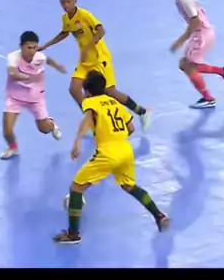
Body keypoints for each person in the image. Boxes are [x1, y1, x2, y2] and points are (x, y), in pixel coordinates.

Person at [53, 71, 169, 243]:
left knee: (77, 188)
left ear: (88, 92)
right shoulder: (115, 102)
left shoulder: (90, 102)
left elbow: (87, 120)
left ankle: (73, 234)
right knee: (130, 186)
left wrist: (77, 141)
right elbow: (131, 128)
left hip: (108, 152)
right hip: (125, 149)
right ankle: (159, 215)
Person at [38, 0, 152, 130]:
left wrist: (88, 47)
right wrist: (46, 45)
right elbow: (65, 32)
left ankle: (142, 112)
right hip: (85, 61)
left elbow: (101, 31)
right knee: (74, 89)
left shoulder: (85, 15)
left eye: (68, 2)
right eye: (63, 2)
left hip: (100, 59)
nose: (66, 5)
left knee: (111, 92)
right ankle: (92, 118)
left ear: (75, 1)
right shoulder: (65, 18)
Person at [162, 0, 224, 109]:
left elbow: (195, 22)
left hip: (202, 35)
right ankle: (222, 72)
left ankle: (209, 98)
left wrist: (180, 41)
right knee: (185, 64)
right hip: (202, 33)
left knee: (187, 66)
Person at [1, 31, 66, 159]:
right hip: (14, 97)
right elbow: (13, 73)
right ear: (21, 46)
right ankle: (13, 148)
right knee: (7, 128)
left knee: (44, 129)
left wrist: (57, 66)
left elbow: (48, 60)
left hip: (35, 98)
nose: (32, 51)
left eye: (34, 47)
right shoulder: (13, 57)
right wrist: (28, 78)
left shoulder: (39, 57)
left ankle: (52, 125)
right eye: (28, 47)